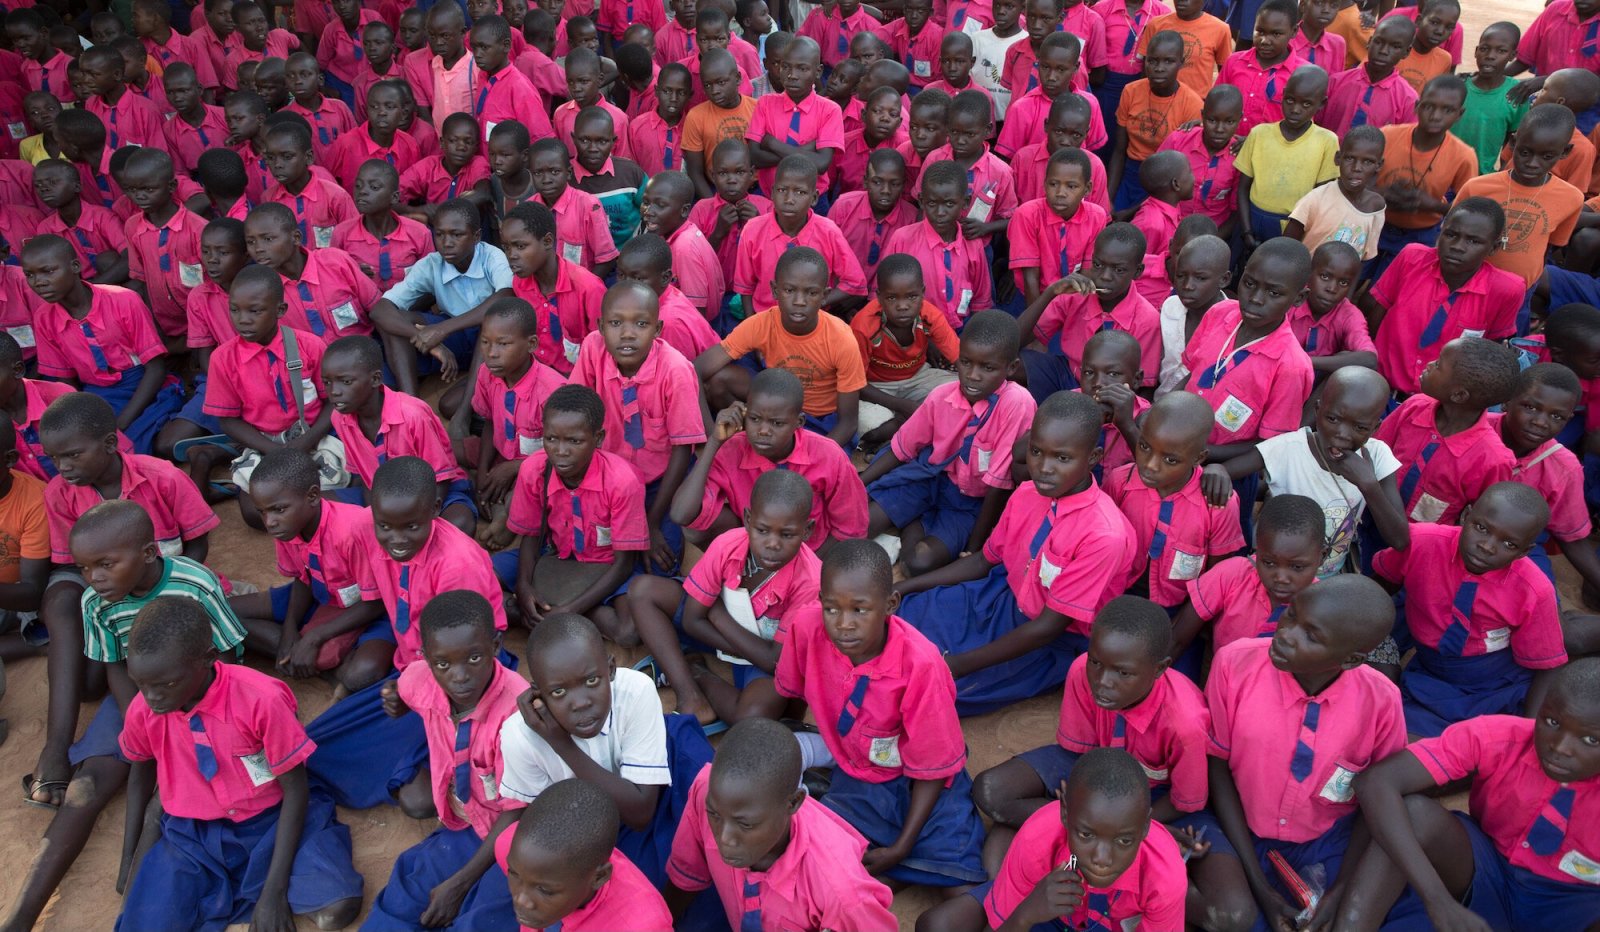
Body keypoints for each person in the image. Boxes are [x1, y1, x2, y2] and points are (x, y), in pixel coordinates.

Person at [116, 595, 359, 931]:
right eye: (140, 684)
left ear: (208, 659)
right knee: (142, 923)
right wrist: (131, 860)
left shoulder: (261, 699)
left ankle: (266, 883)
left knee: (337, 909)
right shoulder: (144, 709)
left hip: (272, 820)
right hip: (193, 833)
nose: (152, 697)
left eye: (166, 684)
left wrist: (273, 893)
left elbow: (295, 789)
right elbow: (139, 777)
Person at [895, 391, 1137, 714]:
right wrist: (902, 588)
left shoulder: (1103, 535)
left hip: (1050, 638)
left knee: (932, 690)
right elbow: (984, 560)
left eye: (1062, 458)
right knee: (904, 616)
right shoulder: (1026, 493)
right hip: (1000, 594)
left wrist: (958, 665)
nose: (1044, 468)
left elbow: (1049, 627)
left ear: (1092, 459)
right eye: (1037, 452)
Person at [1192, 575, 1405, 932]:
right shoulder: (1234, 664)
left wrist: (1340, 892)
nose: (1285, 634)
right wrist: (1258, 886)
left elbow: (1379, 799)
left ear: (1351, 659)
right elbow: (1217, 767)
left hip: (1327, 839)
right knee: (1234, 916)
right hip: (1239, 827)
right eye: (1291, 616)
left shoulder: (1381, 701)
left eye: (1311, 635)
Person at [774, 539, 986, 887]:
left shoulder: (920, 665)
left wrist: (901, 847)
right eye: (832, 608)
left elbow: (932, 770)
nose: (843, 624)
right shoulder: (807, 629)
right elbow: (791, 693)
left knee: (957, 871)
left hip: (917, 779)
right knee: (819, 857)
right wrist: (790, 745)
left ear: (890, 604)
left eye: (859, 610)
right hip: (857, 775)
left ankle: (903, 861)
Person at [304, 456, 504, 813]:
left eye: (411, 526)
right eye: (385, 526)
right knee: (314, 748)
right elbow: (328, 518)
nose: (396, 540)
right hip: (412, 668)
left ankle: (441, 759)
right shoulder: (369, 526)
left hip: (462, 679)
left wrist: (414, 687)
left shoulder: (456, 566)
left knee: (417, 800)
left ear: (436, 510)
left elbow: (469, 659)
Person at [1338, 657, 1600, 930]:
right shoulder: (1501, 737)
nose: (1560, 747)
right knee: (1415, 813)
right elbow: (1376, 781)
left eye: (1591, 740)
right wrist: (1436, 898)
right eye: (1552, 722)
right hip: (1488, 868)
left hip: (1573, 904)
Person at [500, 613, 712, 884]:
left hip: (650, 796)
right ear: (537, 693)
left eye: (591, 681)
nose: (580, 703)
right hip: (595, 821)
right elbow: (540, 816)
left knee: (702, 828)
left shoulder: (636, 690)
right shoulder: (520, 736)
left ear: (610, 669)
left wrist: (562, 745)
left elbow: (641, 814)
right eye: (558, 692)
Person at [364, 591, 525, 931]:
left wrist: (461, 883)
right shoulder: (419, 678)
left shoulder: (516, 716)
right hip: (464, 819)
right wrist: (399, 702)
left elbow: (517, 810)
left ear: (496, 647)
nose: (459, 676)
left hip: (513, 832)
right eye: (443, 664)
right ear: (427, 657)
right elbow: (406, 687)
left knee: (483, 917)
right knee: (403, 896)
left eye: (474, 658)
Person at [630, 468, 822, 725]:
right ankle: (690, 695)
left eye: (787, 534)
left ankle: (697, 673)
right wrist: (747, 647)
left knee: (752, 718)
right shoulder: (727, 545)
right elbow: (691, 621)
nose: (773, 544)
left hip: (753, 649)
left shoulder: (810, 581)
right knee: (643, 591)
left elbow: (773, 661)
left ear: (807, 530)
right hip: (734, 642)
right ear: (747, 519)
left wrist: (717, 614)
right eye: (763, 530)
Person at [663, 717, 897, 928]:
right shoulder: (707, 789)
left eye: (745, 825)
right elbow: (686, 874)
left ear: (793, 803)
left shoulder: (841, 892)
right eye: (714, 815)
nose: (723, 838)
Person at [920, 747, 1186, 932]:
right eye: (1086, 835)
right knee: (937, 925)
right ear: (1065, 814)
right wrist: (1026, 914)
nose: (1102, 859)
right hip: (1043, 914)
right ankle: (1000, 884)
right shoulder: (1039, 838)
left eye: (1124, 841)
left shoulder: (1164, 877)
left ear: (1145, 827)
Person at [1374, 482, 1567, 737]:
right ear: (1466, 515)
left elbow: (1546, 666)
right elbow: (1381, 583)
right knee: (1398, 737)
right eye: (1481, 528)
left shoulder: (1534, 590)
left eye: (1509, 544)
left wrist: (1528, 731)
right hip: (1429, 678)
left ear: (1524, 552)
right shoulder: (1422, 542)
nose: (1487, 546)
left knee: (1489, 745)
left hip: (1497, 686)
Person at [862, 310, 1035, 575]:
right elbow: (902, 449)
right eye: (966, 363)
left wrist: (974, 547)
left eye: (987, 368)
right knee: (861, 524)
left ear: (1010, 368)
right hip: (930, 478)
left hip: (971, 502)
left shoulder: (1016, 404)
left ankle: (912, 521)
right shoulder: (942, 395)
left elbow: (998, 485)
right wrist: (858, 485)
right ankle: (911, 513)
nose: (973, 375)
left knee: (918, 562)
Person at [1203, 366, 1406, 580]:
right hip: (1274, 574)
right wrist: (1217, 468)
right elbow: (1227, 470)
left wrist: (1369, 485)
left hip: (1328, 578)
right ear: (1318, 410)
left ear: (1375, 428)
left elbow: (1399, 540)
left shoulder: (1376, 455)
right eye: (1333, 419)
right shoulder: (1289, 447)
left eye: (1360, 428)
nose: (1341, 435)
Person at [1180, 238, 1317, 538]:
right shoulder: (1219, 314)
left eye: (1274, 292)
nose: (1255, 299)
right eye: (1250, 284)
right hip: (1177, 452)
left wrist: (1212, 458)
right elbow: (1191, 375)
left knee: (1216, 541)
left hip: (1227, 472)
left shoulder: (1291, 365)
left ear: (1298, 298)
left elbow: (1273, 447)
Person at [228, 447, 389, 694]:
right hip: (322, 592)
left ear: (313, 496)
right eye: (263, 512)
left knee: (362, 675)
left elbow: (376, 602)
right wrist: (289, 633)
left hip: (373, 608)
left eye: (278, 509)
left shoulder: (351, 531)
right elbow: (302, 579)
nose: (269, 522)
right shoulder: (286, 527)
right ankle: (310, 656)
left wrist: (314, 638)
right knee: (223, 614)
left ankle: (323, 658)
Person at [20, 236, 183, 455]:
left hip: (143, 387)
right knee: (89, 449)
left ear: (75, 266)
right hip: (97, 396)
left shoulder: (123, 300)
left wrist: (121, 422)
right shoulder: (44, 318)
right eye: (30, 275)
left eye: (48, 271)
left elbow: (156, 369)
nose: (39, 282)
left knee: (131, 445)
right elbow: (66, 383)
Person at [671, 368, 865, 552]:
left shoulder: (828, 455)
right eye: (755, 419)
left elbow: (850, 528)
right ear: (745, 413)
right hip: (756, 549)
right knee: (695, 527)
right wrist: (714, 441)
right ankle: (739, 568)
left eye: (777, 423)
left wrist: (809, 567)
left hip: (810, 553)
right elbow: (681, 515)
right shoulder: (732, 448)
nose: (763, 431)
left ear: (799, 422)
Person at [699, 247, 866, 447]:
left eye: (811, 292)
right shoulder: (761, 323)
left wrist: (819, 458)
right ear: (775, 290)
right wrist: (712, 435)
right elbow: (695, 370)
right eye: (789, 290)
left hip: (817, 419)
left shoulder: (841, 338)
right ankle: (749, 437)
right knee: (717, 381)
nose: (799, 301)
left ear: (824, 295)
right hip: (772, 408)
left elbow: (848, 423)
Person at [1363, 197, 1524, 397]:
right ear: (1441, 231)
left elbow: (1488, 352)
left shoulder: (1507, 289)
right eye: (1451, 234)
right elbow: (1377, 312)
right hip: (1379, 391)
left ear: (1493, 248)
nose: (1457, 246)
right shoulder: (1411, 258)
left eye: (1473, 241)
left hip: (1439, 404)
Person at [368, 198, 514, 397]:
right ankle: (412, 401)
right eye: (439, 234)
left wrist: (443, 329)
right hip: (454, 342)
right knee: (397, 321)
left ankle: (470, 398)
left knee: (491, 324)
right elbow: (380, 310)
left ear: (477, 236)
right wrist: (425, 338)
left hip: (490, 343)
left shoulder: (492, 257)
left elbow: (505, 298)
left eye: (457, 235)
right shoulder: (432, 264)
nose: (446, 243)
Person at [1373, 336, 1518, 526]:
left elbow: (1482, 521)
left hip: (1420, 545)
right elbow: (1373, 452)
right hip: (1368, 513)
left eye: (1439, 364)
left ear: (1458, 395)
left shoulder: (1493, 459)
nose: (1430, 364)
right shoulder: (1414, 407)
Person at [1169, 493, 1329, 663]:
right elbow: (1178, 638)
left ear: (1322, 556)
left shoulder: (1322, 607)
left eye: (1297, 567)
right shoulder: (1232, 574)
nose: (1281, 578)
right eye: (1269, 562)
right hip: (1222, 677)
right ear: (1257, 549)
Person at [498, 778, 674, 931]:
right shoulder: (518, 851)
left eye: (545, 890)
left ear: (599, 877)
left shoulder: (640, 926)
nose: (521, 900)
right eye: (513, 874)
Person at [1018, 223, 1159, 401]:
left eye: (1119, 269)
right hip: (1068, 374)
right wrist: (1050, 292)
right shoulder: (1076, 295)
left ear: (1137, 271)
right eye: (1098, 265)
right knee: (1007, 363)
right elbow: (1013, 342)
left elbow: (1143, 387)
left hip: (1108, 390)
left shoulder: (1147, 320)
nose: (1105, 276)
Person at [1457, 104, 1586, 290]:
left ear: (1565, 152)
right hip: (1469, 283)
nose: (1533, 163)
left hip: (1521, 289)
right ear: (1513, 142)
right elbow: (1450, 234)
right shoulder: (1477, 187)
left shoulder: (1572, 198)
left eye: (1547, 156)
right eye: (1525, 152)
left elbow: (1552, 244)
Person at [731, 155, 866, 318]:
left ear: (814, 198)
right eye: (782, 190)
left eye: (800, 192)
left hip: (813, 321)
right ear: (772, 193)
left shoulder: (828, 231)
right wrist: (752, 324)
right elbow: (746, 288)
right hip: (766, 318)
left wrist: (817, 302)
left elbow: (855, 282)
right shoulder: (753, 230)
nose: (789, 199)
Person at [848, 252, 961, 443]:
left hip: (919, 377)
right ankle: (914, 421)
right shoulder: (862, 326)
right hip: (877, 388)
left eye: (911, 297)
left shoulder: (930, 316)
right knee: (870, 423)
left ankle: (902, 424)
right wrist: (902, 405)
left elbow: (961, 360)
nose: (903, 306)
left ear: (923, 293)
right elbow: (856, 384)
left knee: (961, 391)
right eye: (892, 298)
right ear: (879, 297)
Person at [1235, 65, 1337, 249]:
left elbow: (1320, 199)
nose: (1295, 109)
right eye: (1290, 100)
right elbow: (1242, 188)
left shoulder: (1327, 141)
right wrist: (1246, 231)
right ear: (1282, 95)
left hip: (1294, 226)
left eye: (1306, 104)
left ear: (1321, 104)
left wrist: (1297, 236)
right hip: (1252, 219)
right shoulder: (1259, 134)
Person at [1109, 31, 1203, 213]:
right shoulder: (1131, 91)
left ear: (1181, 63)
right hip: (1131, 171)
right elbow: (1119, 151)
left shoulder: (1192, 104)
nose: (1159, 68)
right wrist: (1108, 198)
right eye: (1152, 61)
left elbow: (1183, 172)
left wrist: (1131, 212)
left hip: (1166, 182)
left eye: (1168, 61)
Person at [1284, 125, 1387, 262]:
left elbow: (1364, 258)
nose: (1356, 168)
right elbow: (1285, 248)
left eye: (1367, 162)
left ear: (1379, 165)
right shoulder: (1315, 200)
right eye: (1350, 158)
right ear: (1338, 158)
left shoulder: (1376, 207)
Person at [331, 159, 435, 295]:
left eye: (374, 187)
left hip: (409, 310)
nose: (362, 191)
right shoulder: (342, 233)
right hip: (362, 310)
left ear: (394, 197)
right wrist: (351, 275)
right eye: (358, 185)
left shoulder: (419, 233)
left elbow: (431, 282)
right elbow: (334, 280)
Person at [1159, 85, 1244, 239]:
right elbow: (1157, 187)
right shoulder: (1179, 140)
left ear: (1240, 119)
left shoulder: (1240, 156)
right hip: (1170, 228)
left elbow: (1236, 212)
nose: (1219, 129)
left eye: (1229, 122)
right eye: (1212, 120)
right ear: (1202, 116)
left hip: (1214, 234)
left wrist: (1211, 241)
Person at [1284, 242, 1380, 375]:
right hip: (1276, 372)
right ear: (1309, 272)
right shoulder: (1290, 298)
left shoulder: (1348, 314)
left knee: (1350, 362)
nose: (1332, 289)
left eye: (1343, 283)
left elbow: (1370, 359)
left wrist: (1304, 361)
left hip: (1317, 387)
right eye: (1325, 276)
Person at [1319, 16, 1419, 136]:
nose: (1383, 51)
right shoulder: (1336, 82)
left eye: (1395, 47)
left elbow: (1404, 141)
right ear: (1369, 42)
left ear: (1406, 52)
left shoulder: (1408, 99)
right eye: (1378, 42)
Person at [1454, 22, 1527, 174]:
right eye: (1484, 49)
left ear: (1512, 56)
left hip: (1481, 176)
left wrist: (1502, 173)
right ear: (1476, 51)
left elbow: (1513, 141)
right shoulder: (1457, 86)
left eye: (1501, 51)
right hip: (1444, 172)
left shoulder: (1516, 94)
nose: (1490, 56)